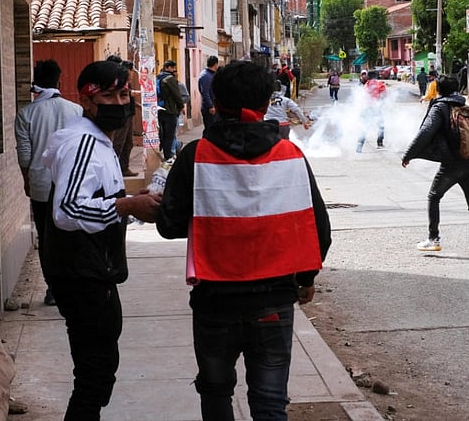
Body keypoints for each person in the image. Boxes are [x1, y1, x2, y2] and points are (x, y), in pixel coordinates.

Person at [155, 60, 331, 420]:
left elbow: (169, 226)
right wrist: (306, 279)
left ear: (214, 102)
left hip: (214, 302)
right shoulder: (290, 155)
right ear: (268, 103)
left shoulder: (196, 155)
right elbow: (319, 229)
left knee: (217, 393)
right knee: (269, 402)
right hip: (274, 300)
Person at [40, 60, 162, 419]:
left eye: (124, 94)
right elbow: (67, 211)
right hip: (81, 274)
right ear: (87, 100)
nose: (120, 103)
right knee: (93, 377)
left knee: (99, 370)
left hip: (95, 270)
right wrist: (127, 206)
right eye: (109, 95)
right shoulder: (82, 144)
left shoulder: (99, 142)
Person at [402, 75, 469, 262]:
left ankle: (433, 238)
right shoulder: (463, 106)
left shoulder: (440, 107)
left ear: (437, 89)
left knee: (434, 196)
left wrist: (409, 154)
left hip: (452, 163)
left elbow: (425, 132)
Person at [15, 59, 83, 306]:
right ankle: (74, 283)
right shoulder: (75, 111)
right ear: (59, 80)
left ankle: (53, 289)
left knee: (46, 239)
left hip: (41, 186)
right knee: (73, 234)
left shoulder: (26, 114)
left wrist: (27, 182)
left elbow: (24, 155)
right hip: (73, 185)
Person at [106, 56, 140, 177]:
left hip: (128, 114)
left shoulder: (123, 80)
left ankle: (124, 168)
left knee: (128, 143)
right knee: (118, 143)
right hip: (121, 115)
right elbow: (124, 93)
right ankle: (113, 170)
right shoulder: (113, 81)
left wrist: (138, 105)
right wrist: (142, 93)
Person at [156, 60, 185, 160]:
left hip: (160, 109)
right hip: (170, 110)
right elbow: (176, 94)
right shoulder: (170, 79)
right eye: (172, 67)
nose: (174, 70)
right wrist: (181, 106)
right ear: (167, 68)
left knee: (163, 134)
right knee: (170, 135)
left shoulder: (159, 77)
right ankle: (168, 156)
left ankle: (166, 154)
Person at [356, 71, 386, 153]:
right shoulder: (380, 84)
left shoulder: (366, 85)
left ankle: (359, 144)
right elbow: (384, 96)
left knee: (365, 127)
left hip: (367, 109)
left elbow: (363, 97)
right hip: (376, 108)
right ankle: (380, 143)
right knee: (381, 126)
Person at [198, 55, 219, 133]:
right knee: (210, 130)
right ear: (215, 64)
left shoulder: (210, 74)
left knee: (213, 129)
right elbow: (205, 92)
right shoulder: (206, 76)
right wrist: (210, 106)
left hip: (213, 105)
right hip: (209, 108)